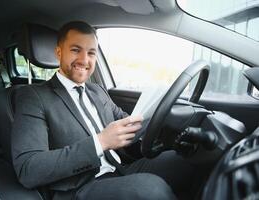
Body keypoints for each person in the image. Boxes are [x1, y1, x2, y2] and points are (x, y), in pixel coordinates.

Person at [11, 21, 179, 200]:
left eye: (91, 53)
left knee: (186, 159)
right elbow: (28, 169)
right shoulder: (33, 96)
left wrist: (150, 119)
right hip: (79, 188)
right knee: (152, 189)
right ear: (59, 52)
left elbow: (124, 121)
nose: (84, 60)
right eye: (76, 50)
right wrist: (101, 142)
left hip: (122, 169)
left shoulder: (97, 90)